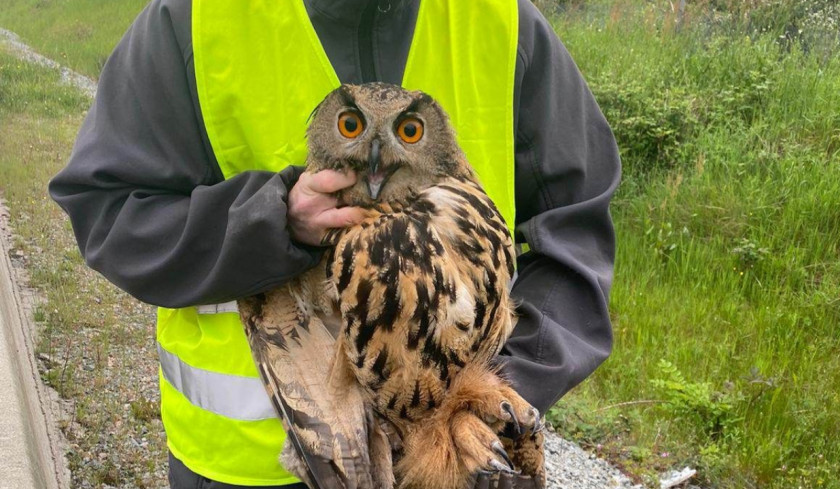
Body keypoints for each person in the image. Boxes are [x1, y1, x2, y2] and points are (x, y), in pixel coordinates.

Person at [49, 0, 621, 487]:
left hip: (454, 464)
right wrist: (272, 222)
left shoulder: (498, 19)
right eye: (350, 129)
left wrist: (494, 392)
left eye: (410, 133)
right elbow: (109, 208)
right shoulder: (196, 17)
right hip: (250, 468)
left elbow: (577, 227)